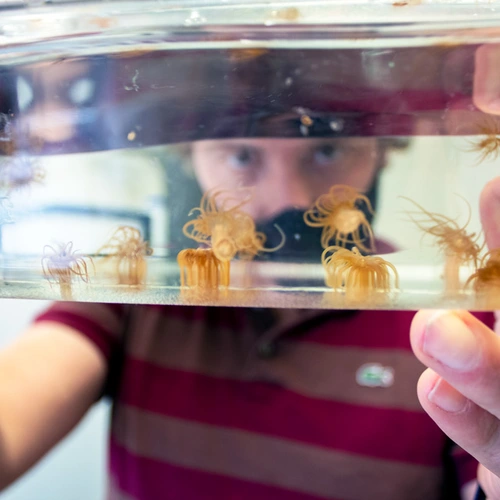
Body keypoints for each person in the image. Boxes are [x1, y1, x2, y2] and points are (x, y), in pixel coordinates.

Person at [0, 130, 493, 500]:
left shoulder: (459, 325)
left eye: (327, 147)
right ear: (188, 153)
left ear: (383, 146)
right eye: (241, 155)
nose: (291, 199)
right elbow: (25, 390)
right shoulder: (134, 286)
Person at [410, 43, 500, 499]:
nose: (289, 190)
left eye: (325, 148)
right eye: (242, 153)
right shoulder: (156, 313)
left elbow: (479, 476)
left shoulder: (462, 309)